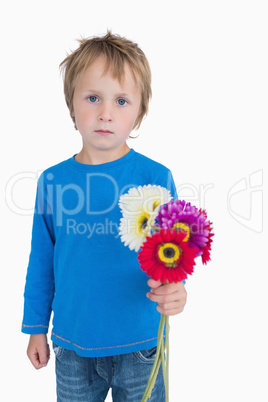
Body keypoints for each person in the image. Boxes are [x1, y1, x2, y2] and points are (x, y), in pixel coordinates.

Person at [22, 30, 187, 401]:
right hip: (72, 346)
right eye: (93, 97)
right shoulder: (53, 182)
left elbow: (176, 253)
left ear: (140, 112)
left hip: (142, 343)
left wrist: (178, 291)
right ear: (72, 105)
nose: (106, 113)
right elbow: (41, 261)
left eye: (122, 101)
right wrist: (35, 326)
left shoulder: (156, 178)